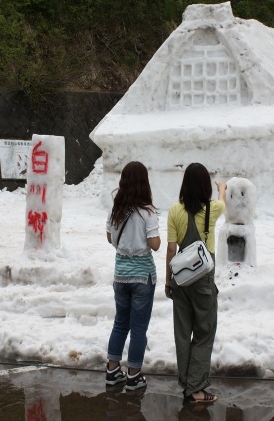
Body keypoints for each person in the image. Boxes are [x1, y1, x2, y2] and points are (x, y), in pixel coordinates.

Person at [165, 163, 226, 404]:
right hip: (203, 281)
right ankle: (197, 390)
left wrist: (168, 281)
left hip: (180, 278)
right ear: (204, 186)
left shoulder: (174, 211)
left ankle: (187, 383)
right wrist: (221, 187)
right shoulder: (213, 209)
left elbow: (171, 248)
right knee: (204, 332)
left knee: (182, 333)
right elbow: (222, 199)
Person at [105, 161, 161, 391]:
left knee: (120, 323)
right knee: (138, 328)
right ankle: (134, 375)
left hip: (121, 275)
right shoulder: (147, 212)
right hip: (142, 277)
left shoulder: (116, 210)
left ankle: (112, 370)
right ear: (144, 183)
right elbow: (155, 245)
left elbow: (110, 239)